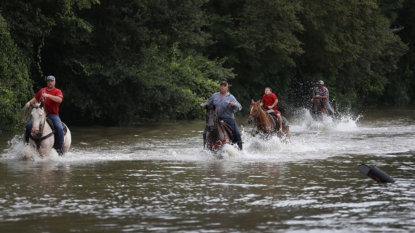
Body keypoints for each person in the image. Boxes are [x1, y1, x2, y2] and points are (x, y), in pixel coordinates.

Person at [25, 75, 65, 155]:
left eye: (51, 81)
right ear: (47, 82)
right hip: (40, 114)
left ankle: (59, 149)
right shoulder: (42, 90)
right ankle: (26, 145)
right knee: (28, 125)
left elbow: (59, 99)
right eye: (48, 81)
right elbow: (35, 99)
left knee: (59, 128)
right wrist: (29, 103)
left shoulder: (57, 91)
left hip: (52, 114)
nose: (50, 82)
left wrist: (48, 96)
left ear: (54, 82)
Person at [200, 81, 243, 150]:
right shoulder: (215, 96)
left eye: (224, 86)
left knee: (237, 134)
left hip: (228, 118)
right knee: (205, 133)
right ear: (219, 87)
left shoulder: (231, 97)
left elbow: (240, 107)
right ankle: (205, 149)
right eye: (221, 86)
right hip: (216, 118)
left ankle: (241, 151)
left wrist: (234, 104)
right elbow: (208, 103)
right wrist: (203, 105)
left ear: (227, 88)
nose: (222, 87)